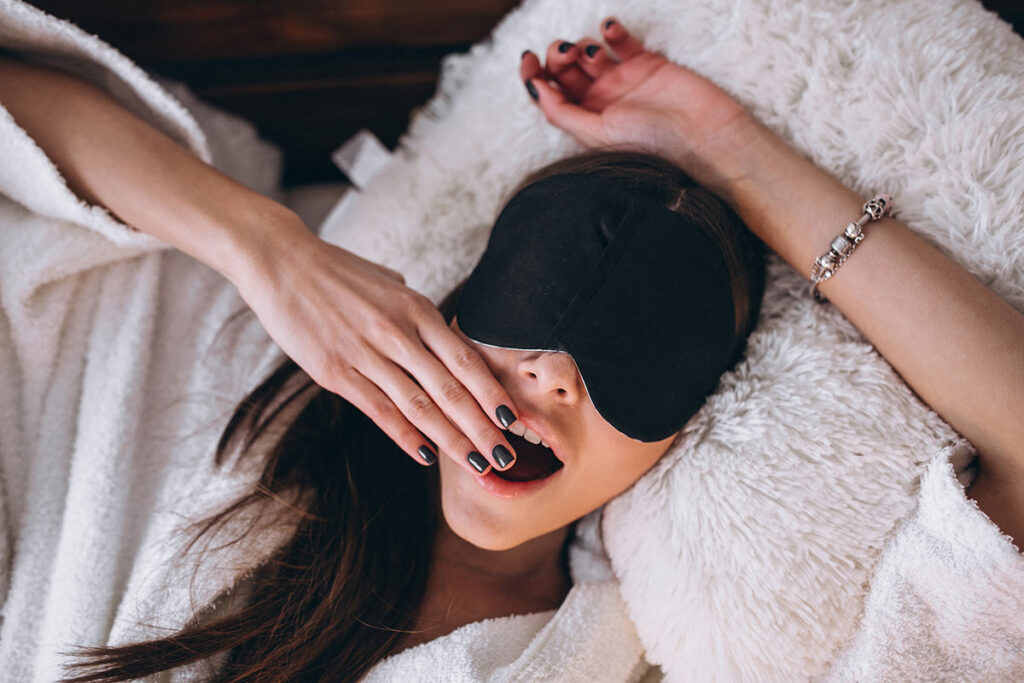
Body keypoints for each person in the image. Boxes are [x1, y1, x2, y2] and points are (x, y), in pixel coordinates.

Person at [0, 13, 1020, 682]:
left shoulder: (663, 648)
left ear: (686, 429)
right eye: (530, 305)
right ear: (449, 307)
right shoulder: (226, 378)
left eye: (637, 349)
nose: (547, 373)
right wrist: (273, 255)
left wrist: (740, 155)